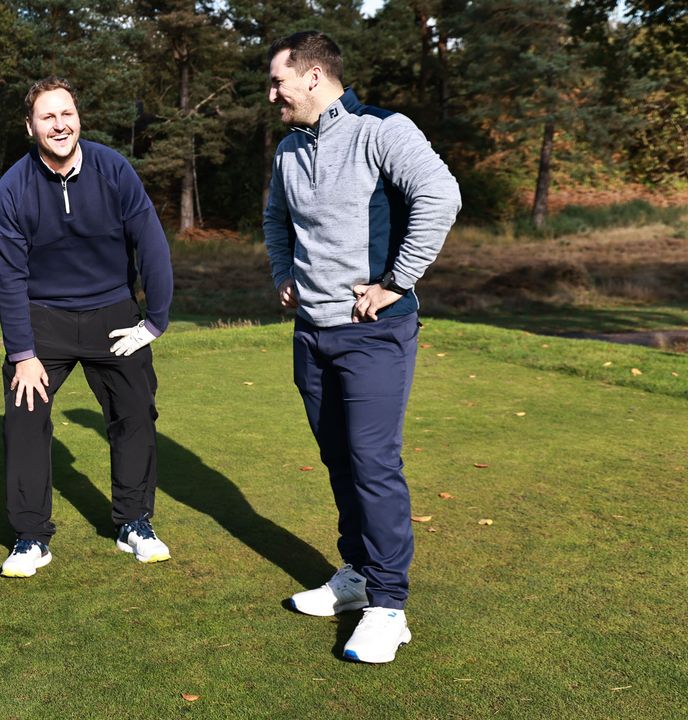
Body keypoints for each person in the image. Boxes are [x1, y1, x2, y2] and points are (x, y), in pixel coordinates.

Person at [261, 32, 461, 663]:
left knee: (373, 463)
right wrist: (281, 272)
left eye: (278, 83)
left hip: (375, 333)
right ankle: (355, 576)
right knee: (340, 462)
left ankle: (388, 607)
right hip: (311, 335)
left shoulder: (382, 129)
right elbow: (275, 217)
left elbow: (441, 195)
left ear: (314, 77)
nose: (272, 96)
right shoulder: (289, 150)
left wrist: (397, 280)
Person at [0, 77, 175, 578]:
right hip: (42, 318)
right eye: (47, 117)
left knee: (135, 412)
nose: (60, 124)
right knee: (25, 418)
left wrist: (154, 321)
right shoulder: (13, 187)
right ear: (30, 127)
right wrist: (23, 354)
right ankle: (31, 537)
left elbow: (151, 244)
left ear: (78, 118)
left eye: (66, 113)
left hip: (113, 314)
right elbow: (9, 276)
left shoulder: (114, 168)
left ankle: (134, 521)